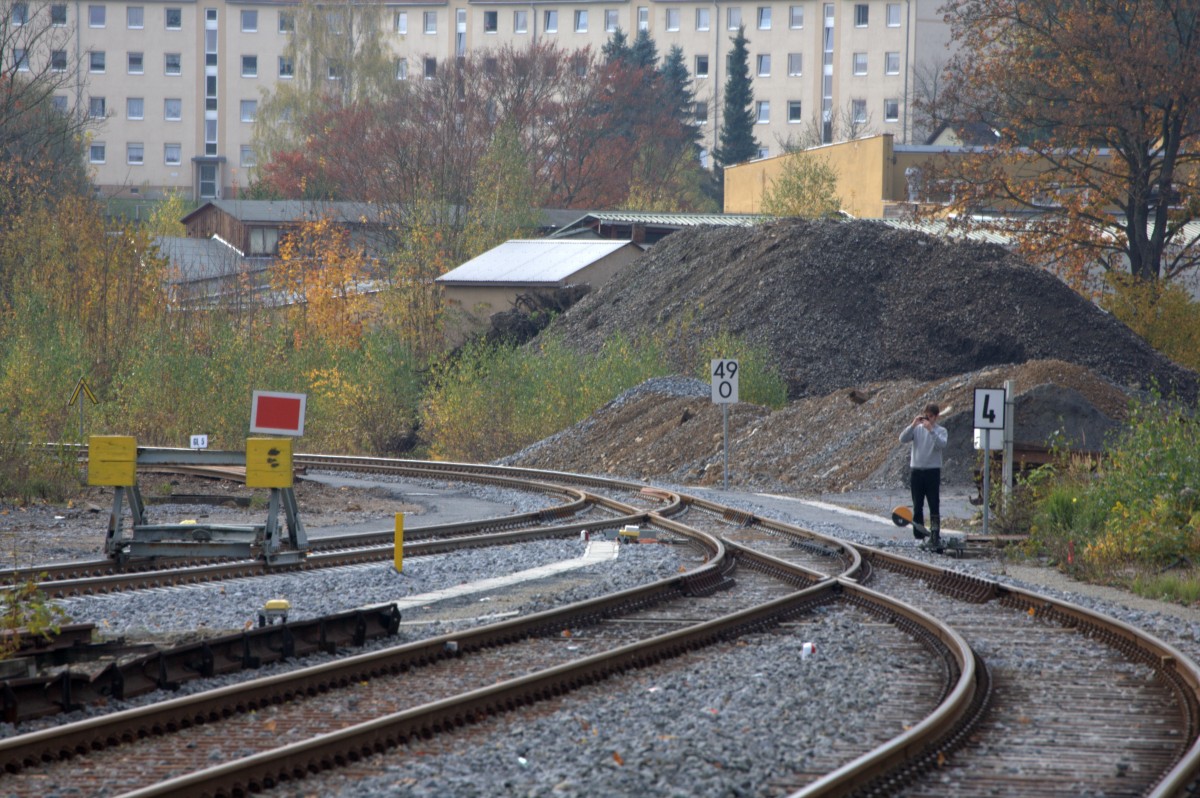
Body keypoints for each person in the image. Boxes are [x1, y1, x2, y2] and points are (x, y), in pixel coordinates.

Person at [899, 403, 948, 549]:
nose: (928, 419)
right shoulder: (917, 430)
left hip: (932, 472)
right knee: (917, 505)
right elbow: (902, 439)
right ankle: (918, 535)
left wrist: (931, 430)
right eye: (926, 416)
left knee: (934, 504)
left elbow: (941, 445)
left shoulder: (941, 431)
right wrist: (913, 425)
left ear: (936, 416)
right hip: (917, 472)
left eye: (931, 416)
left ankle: (934, 534)